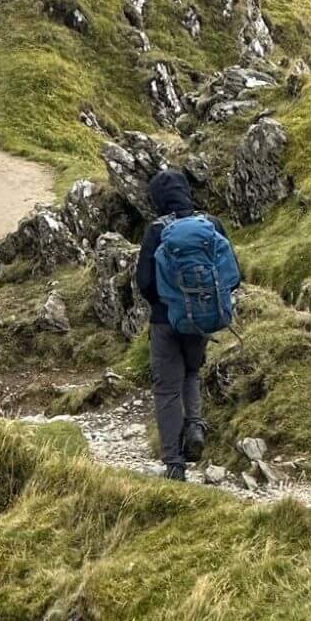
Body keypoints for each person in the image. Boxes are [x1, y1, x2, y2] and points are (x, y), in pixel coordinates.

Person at [136, 169, 241, 480]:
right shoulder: (211, 225)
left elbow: (144, 282)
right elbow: (231, 274)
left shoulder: (156, 230)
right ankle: (194, 426)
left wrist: (165, 302)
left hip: (164, 320)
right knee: (192, 372)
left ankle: (174, 463)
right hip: (200, 318)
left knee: (166, 388)